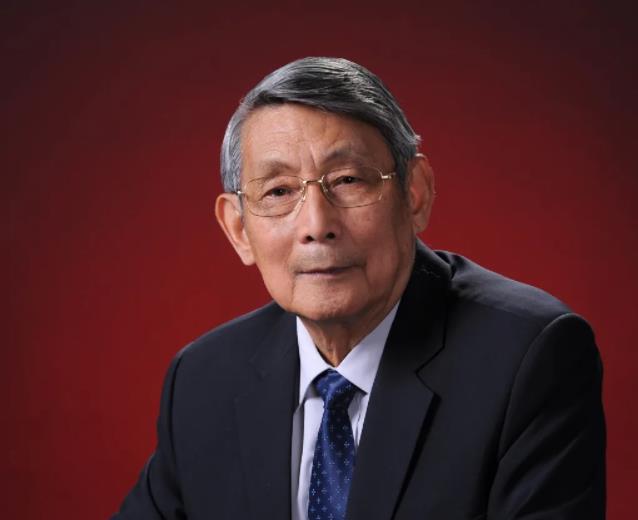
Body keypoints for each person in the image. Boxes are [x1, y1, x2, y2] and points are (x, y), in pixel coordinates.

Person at [112, 57, 605, 519]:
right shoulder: (202, 380)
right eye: (279, 191)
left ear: (415, 194)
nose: (316, 225)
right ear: (238, 229)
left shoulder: (527, 358)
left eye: (348, 180)